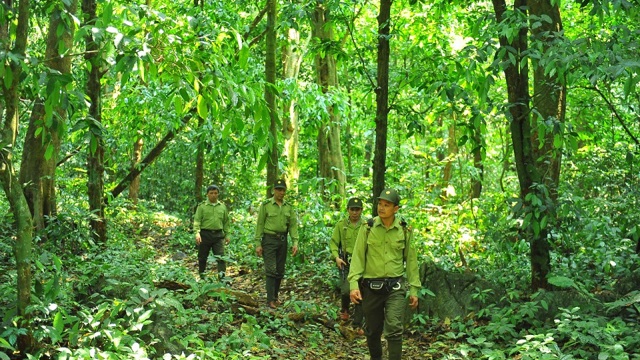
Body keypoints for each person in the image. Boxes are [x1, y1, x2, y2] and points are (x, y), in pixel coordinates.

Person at [348, 188, 421, 360]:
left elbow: (411, 261)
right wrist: (353, 285)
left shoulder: (404, 230)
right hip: (371, 288)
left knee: (394, 328)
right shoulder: (368, 228)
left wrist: (414, 290)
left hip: (395, 287)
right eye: (380, 204)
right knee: (372, 331)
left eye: (386, 205)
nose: (381, 208)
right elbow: (358, 257)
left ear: (396, 208)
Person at [254, 179, 299, 309]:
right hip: (269, 240)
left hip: (283, 240)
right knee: (271, 270)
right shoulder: (266, 205)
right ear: (274, 190)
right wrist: (258, 243)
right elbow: (260, 224)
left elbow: (293, 225)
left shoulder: (288, 207)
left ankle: (275, 296)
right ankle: (270, 300)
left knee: (280, 270)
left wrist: (295, 242)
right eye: (278, 189)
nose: (281, 192)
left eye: (283, 190)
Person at [329, 197, 364, 328]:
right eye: (352, 209)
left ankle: (358, 322)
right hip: (346, 262)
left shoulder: (366, 225)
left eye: (357, 209)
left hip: (361, 262)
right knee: (345, 290)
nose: (355, 212)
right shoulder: (341, 225)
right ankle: (345, 309)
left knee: (360, 290)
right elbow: (333, 242)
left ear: (361, 210)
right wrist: (336, 257)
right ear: (348, 210)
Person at [193, 184, 230, 281]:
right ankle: (202, 277)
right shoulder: (202, 207)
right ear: (207, 194)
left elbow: (226, 222)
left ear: (218, 194)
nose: (213, 195)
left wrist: (227, 234)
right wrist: (197, 233)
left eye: (215, 193)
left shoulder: (222, 207)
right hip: (205, 235)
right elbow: (197, 220)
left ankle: (222, 279)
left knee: (221, 258)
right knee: (202, 257)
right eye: (211, 193)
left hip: (218, 235)